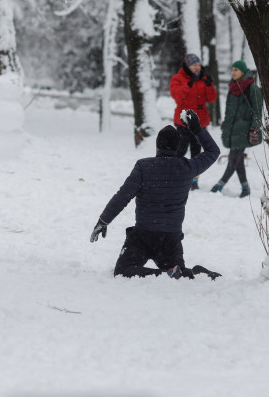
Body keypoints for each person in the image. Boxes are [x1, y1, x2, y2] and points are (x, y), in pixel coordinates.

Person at [90, 110, 222, 280]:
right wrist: (197, 129)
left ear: (157, 146)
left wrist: (104, 220)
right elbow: (213, 152)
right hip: (170, 240)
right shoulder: (187, 167)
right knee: (179, 274)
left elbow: (123, 196)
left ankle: (164, 274)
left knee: (123, 271)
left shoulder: (144, 167)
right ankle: (189, 272)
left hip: (143, 237)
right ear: (177, 147)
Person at [210, 60, 264, 198]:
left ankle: (219, 185)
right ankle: (245, 188)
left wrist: (254, 128)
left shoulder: (252, 88)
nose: (233, 72)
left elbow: (258, 111)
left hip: (244, 129)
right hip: (233, 129)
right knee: (238, 159)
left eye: (236, 70)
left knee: (233, 158)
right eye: (232, 69)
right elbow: (230, 110)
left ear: (243, 72)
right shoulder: (233, 87)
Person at [169, 53, 218, 190]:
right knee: (181, 149)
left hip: (200, 119)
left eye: (198, 64)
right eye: (194, 65)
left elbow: (212, 98)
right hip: (183, 119)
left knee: (197, 151)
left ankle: (193, 180)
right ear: (187, 66)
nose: (197, 67)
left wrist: (209, 85)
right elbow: (177, 97)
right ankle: (173, 175)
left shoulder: (203, 78)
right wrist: (188, 84)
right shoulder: (177, 78)